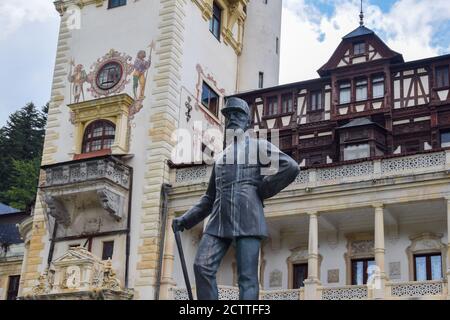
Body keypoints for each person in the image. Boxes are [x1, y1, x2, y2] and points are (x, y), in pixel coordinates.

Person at [172, 97, 300, 300]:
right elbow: (208, 198)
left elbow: (291, 167)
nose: (232, 118)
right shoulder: (221, 157)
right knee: (201, 266)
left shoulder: (258, 146)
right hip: (218, 221)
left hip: (248, 217)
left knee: (247, 278)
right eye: (228, 115)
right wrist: (186, 220)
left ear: (247, 121)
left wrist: (263, 189)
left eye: (237, 114)